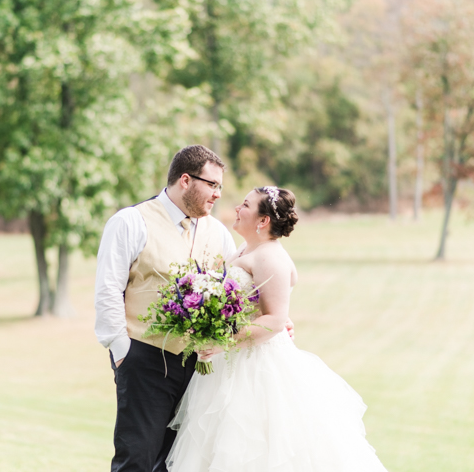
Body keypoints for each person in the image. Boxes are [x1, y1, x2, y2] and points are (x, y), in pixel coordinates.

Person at [165, 186, 389, 472]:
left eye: (245, 205)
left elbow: (273, 320)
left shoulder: (270, 257)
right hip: (230, 363)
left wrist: (222, 343)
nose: (236, 208)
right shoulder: (246, 250)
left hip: (258, 369)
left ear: (263, 221)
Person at [94, 145, 237, 472]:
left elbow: (236, 292)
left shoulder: (219, 233)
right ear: (185, 180)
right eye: (211, 184)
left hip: (199, 369)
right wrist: (121, 351)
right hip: (143, 358)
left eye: (220, 187)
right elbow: (107, 289)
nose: (217, 195)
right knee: (137, 459)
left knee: (180, 463)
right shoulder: (131, 221)